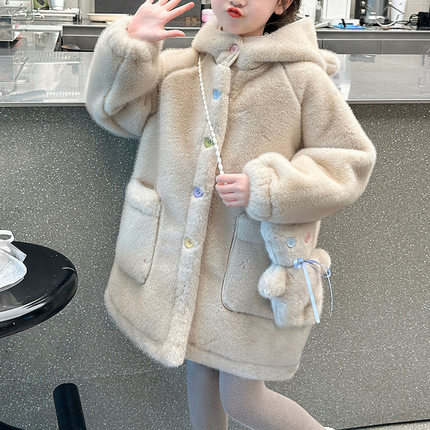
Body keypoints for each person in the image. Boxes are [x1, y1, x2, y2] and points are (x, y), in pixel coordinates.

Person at [85, 0, 377, 427]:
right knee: (200, 375)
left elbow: (348, 160)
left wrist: (268, 188)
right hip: (177, 262)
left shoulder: (301, 78)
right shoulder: (181, 68)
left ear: (282, 3)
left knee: (244, 399)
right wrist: (132, 47)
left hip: (245, 265)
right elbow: (115, 111)